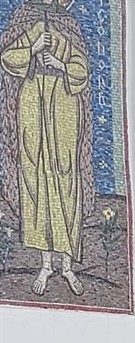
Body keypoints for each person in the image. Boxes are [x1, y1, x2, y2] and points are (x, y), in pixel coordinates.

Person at [0, 0, 95, 297]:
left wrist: (61, 64)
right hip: (31, 96)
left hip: (63, 99)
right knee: (34, 173)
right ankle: (45, 264)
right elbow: (7, 58)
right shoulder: (26, 17)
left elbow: (82, 69)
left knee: (66, 174)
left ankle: (66, 265)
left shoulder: (68, 22)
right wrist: (33, 47)